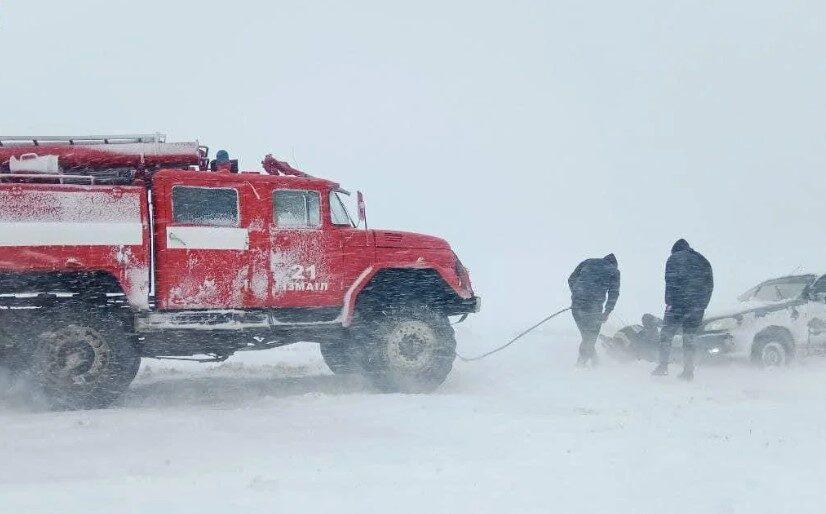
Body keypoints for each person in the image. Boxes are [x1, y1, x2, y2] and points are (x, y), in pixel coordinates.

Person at [651, 239, 713, 381]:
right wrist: (703, 304)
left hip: (678, 304)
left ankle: (663, 366)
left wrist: (669, 302)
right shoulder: (703, 261)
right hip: (697, 306)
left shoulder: (674, 258)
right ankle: (688, 371)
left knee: (666, 335)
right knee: (689, 338)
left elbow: (670, 281)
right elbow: (710, 284)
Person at [568, 254, 620, 367]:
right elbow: (614, 293)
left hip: (576, 306)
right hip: (594, 307)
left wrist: (577, 294)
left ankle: (594, 362)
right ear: (614, 264)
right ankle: (580, 365)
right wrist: (607, 311)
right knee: (590, 338)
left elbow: (571, 279)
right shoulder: (614, 271)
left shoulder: (587, 262)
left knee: (587, 337)